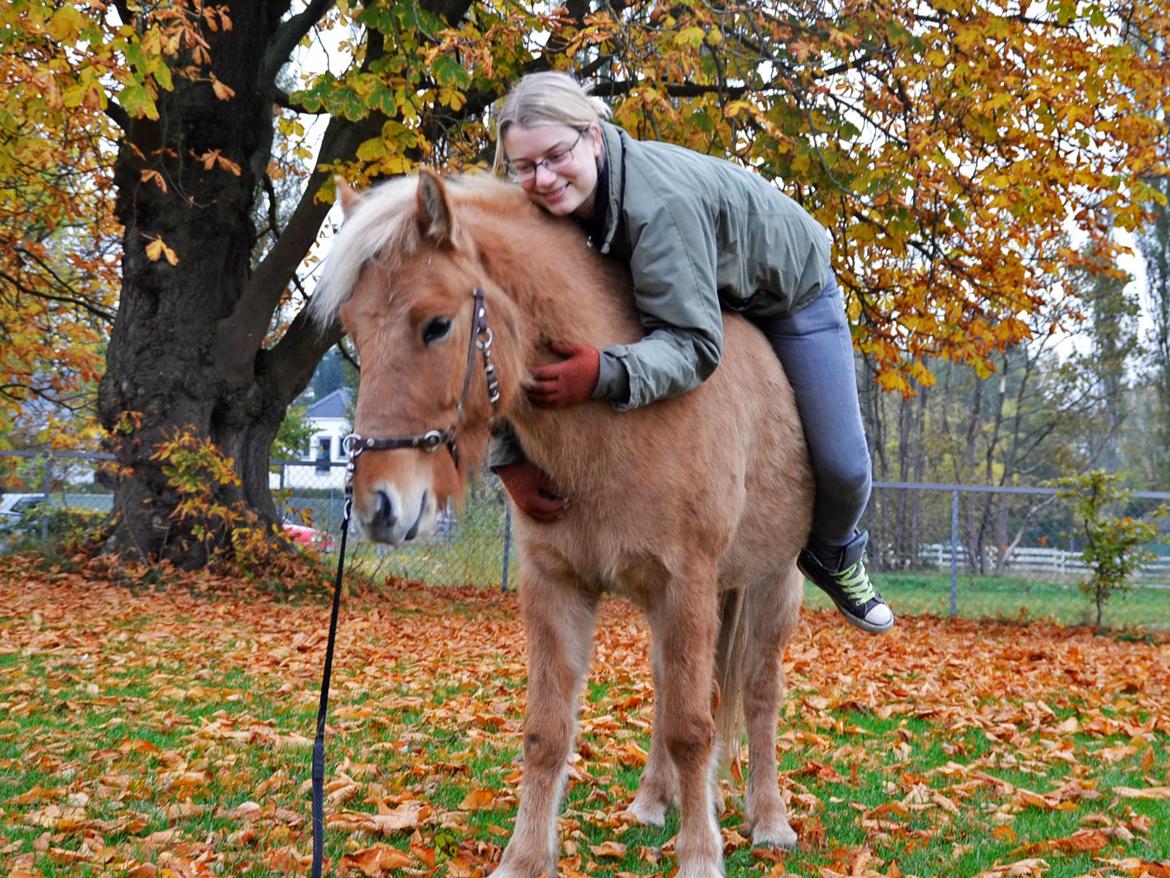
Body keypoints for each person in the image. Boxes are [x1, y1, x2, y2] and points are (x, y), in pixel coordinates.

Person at [488, 71, 893, 635]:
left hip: (786, 292)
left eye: (557, 155)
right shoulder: (540, 212)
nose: (544, 178)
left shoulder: (658, 206)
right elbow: (503, 333)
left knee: (844, 466)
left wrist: (604, 371)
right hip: (691, 284)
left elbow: (695, 345)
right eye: (525, 166)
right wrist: (509, 455)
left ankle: (837, 551)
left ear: (595, 137)